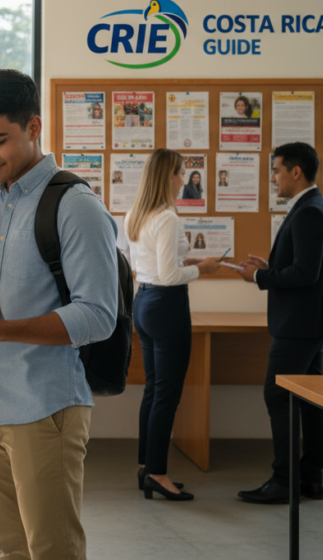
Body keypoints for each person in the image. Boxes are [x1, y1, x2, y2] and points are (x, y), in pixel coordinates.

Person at [0, 69, 117, 560]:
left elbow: (98, 316)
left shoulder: (76, 207)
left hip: (44, 409)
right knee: (8, 548)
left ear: (33, 128)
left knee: (52, 550)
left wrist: (3, 331)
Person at [233, 142, 323, 504]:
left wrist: (260, 278)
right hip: (309, 320)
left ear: (296, 172)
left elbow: (305, 274)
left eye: (277, 170)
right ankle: (310, 478)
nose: (273, 178)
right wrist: (269, 268)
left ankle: (285, 481)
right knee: (310, 400)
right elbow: (301, 267)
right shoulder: (312, 207)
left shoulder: (309, 211)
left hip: (300, 323)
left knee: (277, 394)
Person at [123, 149, 223, 502]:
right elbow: (170, 275)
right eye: (181, 173)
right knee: (167, 395)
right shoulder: (166, 218)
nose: (184, 179)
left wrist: (191, 260)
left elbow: (151, 264)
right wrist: (204, 269)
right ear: (168, 176)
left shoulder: (136, 213)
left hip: (145, 303)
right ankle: (158, 473)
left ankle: (145, 466)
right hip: (167, 305)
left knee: (154, 390)